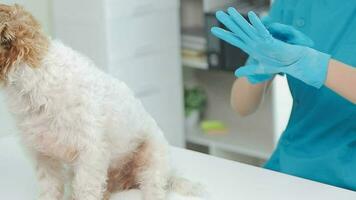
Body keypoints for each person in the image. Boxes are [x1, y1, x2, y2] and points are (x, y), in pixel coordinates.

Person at [211, 0, 356, 190]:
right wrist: (258, 70)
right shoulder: (291, 4)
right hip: (292, 167)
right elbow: (242, 106)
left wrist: (316, 64)